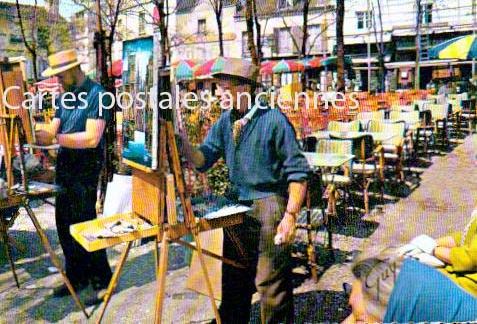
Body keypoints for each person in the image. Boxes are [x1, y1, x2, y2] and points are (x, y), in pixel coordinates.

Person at [179, 58, 311, 324]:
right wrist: (182, 144)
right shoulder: (226, 121)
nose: (217, 94)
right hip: (237, 205)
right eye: (217, 88)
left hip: (268, 205)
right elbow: (204, 159)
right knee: (233, 276)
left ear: (244, 88)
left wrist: (290, 216)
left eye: (223, 87)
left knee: (269, 281)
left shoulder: (273, 120)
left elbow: (299, 173)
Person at [35, 48, 113, 298]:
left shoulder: (98, 95)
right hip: (67, 162)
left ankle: (100, 275)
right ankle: (76, 276)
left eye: (60, 75)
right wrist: (35, 132)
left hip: (87, 163)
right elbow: (53, 128)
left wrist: (56, 138)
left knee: (85, 219)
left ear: (72, 70)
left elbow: (92, 137)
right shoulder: (65, 96)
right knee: (64, 221)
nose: (57, 80)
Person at [343, 208, 477, 324]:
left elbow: (468, 260)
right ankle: (365, 298)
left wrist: (433, 249)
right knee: (398, 264)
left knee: (406, 273)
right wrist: (429, 243)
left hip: (466, 282)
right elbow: (465, 236)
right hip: (457, 272)